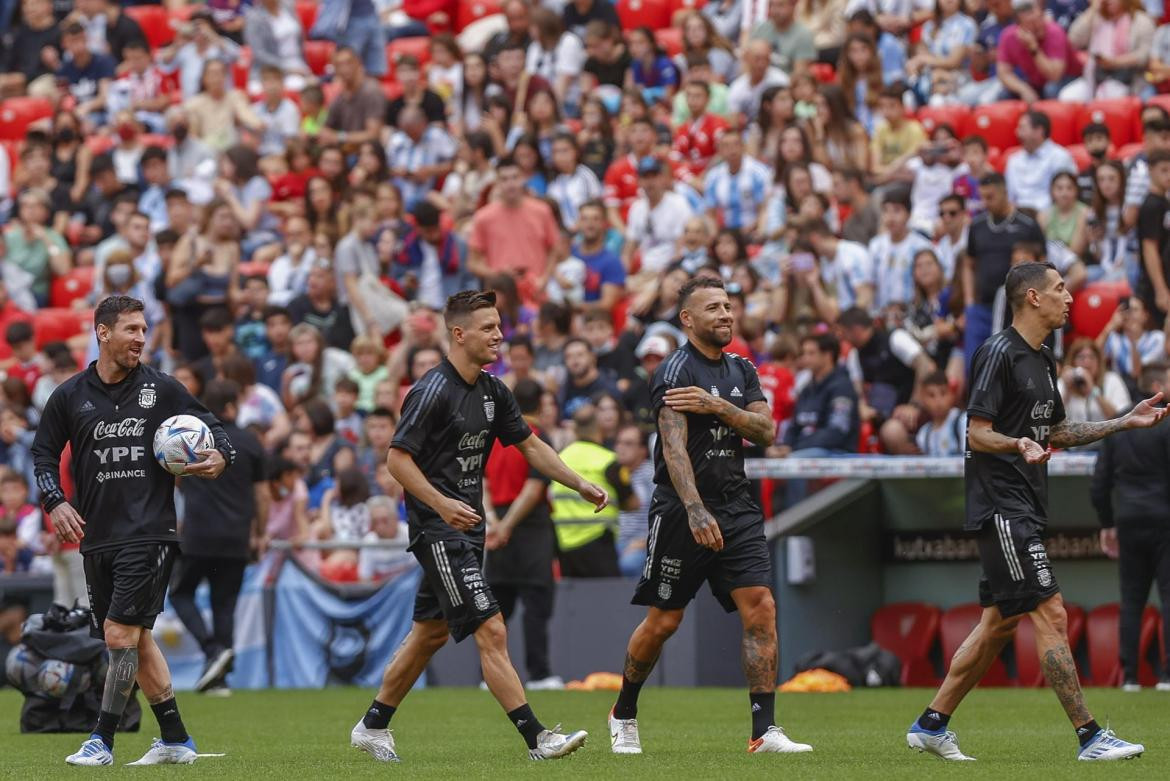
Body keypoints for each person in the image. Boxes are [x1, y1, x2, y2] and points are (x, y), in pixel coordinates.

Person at [905, 262, 1166, 762]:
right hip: (1001, 505)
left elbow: (1060, 432)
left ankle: (931, 724)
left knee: (999, 624)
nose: (1071, 298)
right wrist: (1017, 443)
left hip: (1024, 502)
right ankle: (1090, 736)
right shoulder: (997, 353)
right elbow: (976, 432)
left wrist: (1124, 422)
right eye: (1061, 289)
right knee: (1051, 609)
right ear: (1032, 297)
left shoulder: (1045, 359)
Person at [349, 290, 608, 763]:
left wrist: (577, 483)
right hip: (438, 530)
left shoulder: (493, 391)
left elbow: (530, 446)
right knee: (491, 628)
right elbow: (397, 461)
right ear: (459, 334)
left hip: (466, 528)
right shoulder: (431, 392)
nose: (499, 335)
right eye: (489, 327)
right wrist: (441, 504)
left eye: (499, 325)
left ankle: (372, 725)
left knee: (430, 633)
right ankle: (537, 738)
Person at [608, 277, 812, 756]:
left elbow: (766, 430)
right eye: (713, 308)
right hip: (683, 509)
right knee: (664, 622)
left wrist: (718, 405)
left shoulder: (742, 368)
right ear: (687, 319)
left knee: (761, 605)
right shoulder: (675, 371)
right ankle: (624, 712)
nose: (725, 314)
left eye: (728, 306)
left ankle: (764, 731)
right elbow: (673, 448)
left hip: (737, 505)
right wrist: (695, 509)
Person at [30, 296, 236, 766]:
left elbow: (214, 427)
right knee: (133, 639)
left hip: (149, 533)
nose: (141, 338)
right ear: (103, 333)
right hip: (97, 536)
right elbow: (43, 453)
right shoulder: (69, 395)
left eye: (144, 329)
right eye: (132, 329)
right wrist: (55, 500)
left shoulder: (161, 389)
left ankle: (102, 740)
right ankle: (176, 739)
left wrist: (222, 456)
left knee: (121, 635)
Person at [170, 378, 266, 696]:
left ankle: (212, 653)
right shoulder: (251, 443)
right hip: (236, 536)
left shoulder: (192, 441)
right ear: (231, 406)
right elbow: (262, 495)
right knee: (224, 605)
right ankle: (219, 676)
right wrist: (260, 533)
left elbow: (178, 481)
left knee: (181, 594)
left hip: (198, 534)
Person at [1089, 361, 1170, 692]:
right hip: (1165, 519)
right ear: (1158, 385)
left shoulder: (1120, 422)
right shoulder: (1166, 421)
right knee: (1169, 597)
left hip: (1128, 519)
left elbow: (1099, 484)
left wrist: (1107, 522)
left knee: (1132, 600)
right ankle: (1167, 677)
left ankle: (1130, 677)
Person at [483, 378, 560, 689]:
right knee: (536, 604)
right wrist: (508, 525)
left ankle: (490, 677)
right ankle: (539, 674)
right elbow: (534, 488)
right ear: (541, 404)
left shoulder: (494, 438)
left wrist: (493, 523)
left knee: (498, 608)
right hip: (529, 526)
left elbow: (483, 485)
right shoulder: (538, 438)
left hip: (498, 525)